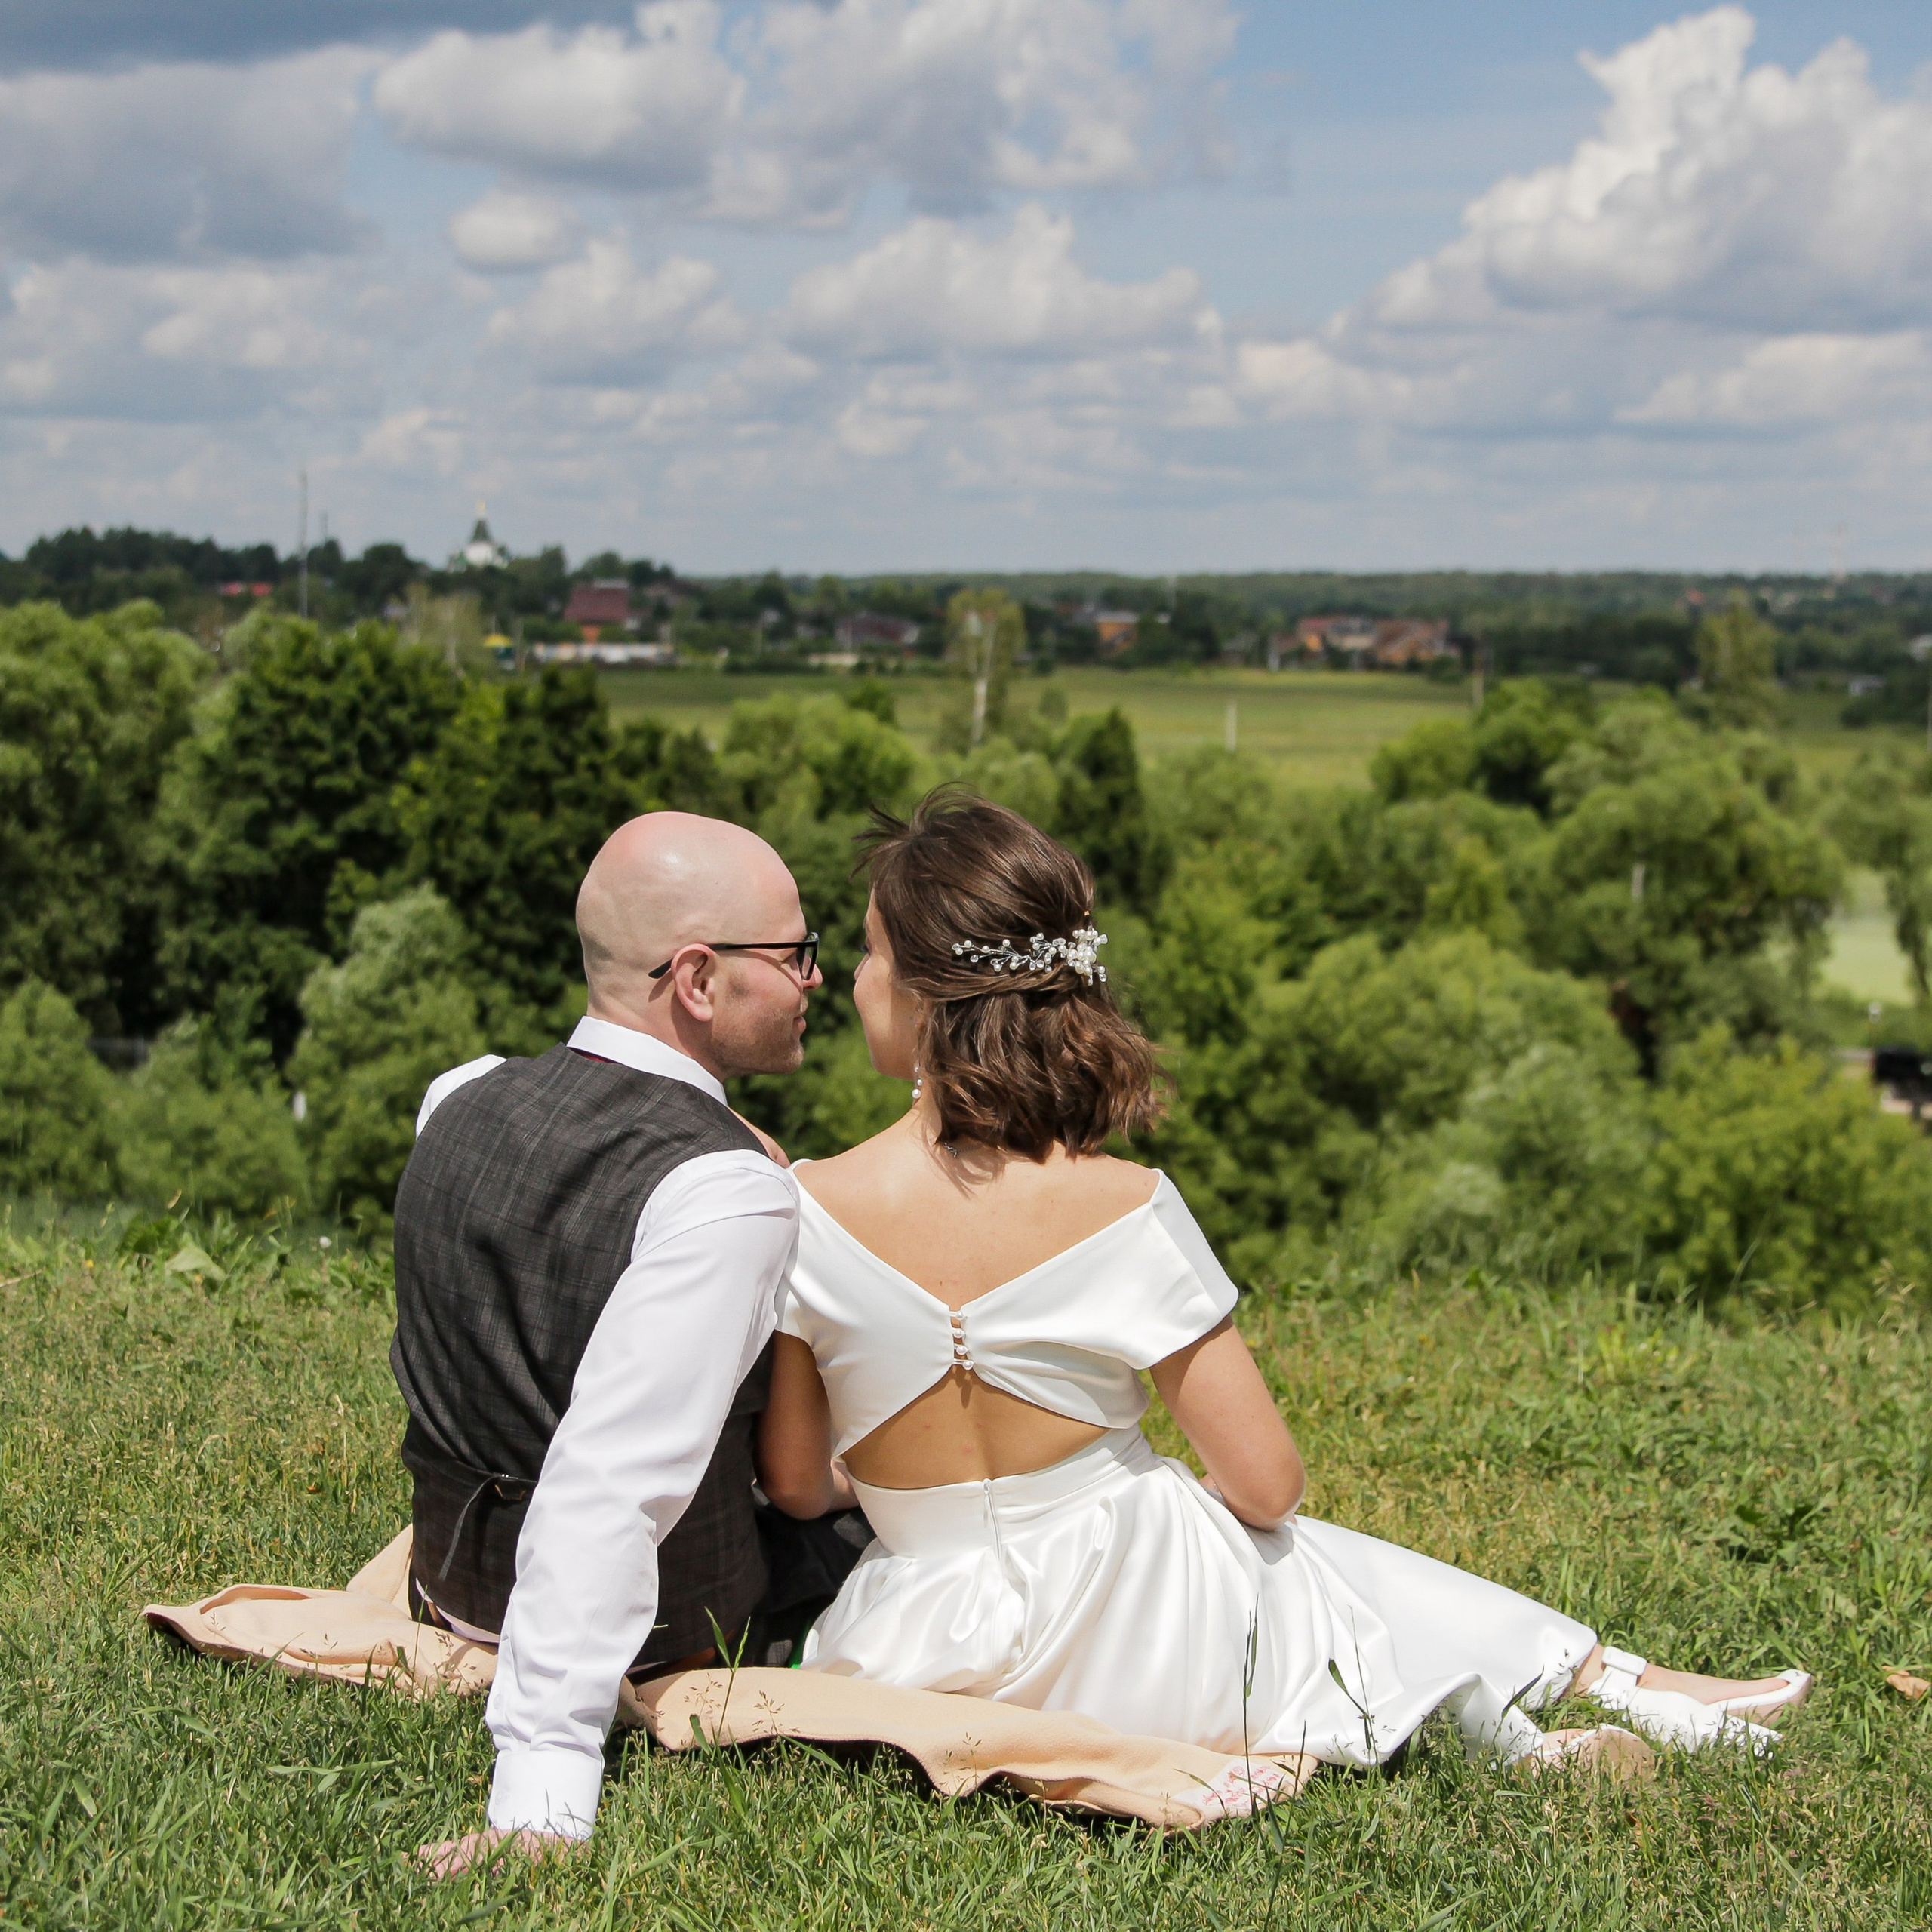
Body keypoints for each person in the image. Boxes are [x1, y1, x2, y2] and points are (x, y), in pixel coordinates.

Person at [758, 792, 1813, 1775]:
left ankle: (1613, 1694)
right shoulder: (1123, 1207)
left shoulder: (805, 1208)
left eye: (868, 952)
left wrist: (937, 1493)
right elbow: (1266, 1484)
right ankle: (1610, 1697)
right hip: (1149, 1640)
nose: (852, 978)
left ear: (928, 996)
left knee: (1252, 1548)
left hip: (910, 1648)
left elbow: (802, 1484)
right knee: (1277, 1550)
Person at [397, 811, 826, 1875]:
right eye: (793, 956)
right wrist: (541, 1794)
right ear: (697, 978)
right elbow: (607, 1486)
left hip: (448, 1589)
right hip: (671, 1631)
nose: (814, 979)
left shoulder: (458, 1099)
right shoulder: (725, 1191)